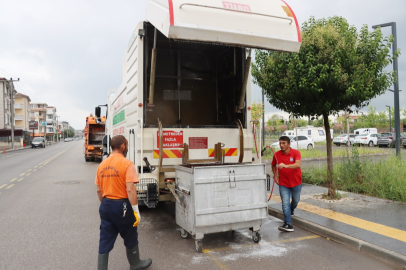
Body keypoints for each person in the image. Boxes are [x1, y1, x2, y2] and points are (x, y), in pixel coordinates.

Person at [95, 135, 152, 270]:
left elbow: (98, 190)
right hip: (122, 205)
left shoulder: (102, 165)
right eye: (126, 145)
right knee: (130, 233)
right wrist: (136, 211)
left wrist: (106, 204)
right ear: (122, 146)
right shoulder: (127, 164)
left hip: (106, 204)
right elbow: (130, 189)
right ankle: (135, 263)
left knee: (105, 238)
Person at [271, 136, 302, 232]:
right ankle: (287, 223)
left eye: (283, 143)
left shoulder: (296, 153)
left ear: (289, 144)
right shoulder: (276, 155)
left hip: (296, 182)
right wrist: (275, 175)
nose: (281, 145)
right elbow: (273, 165)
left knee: (295, 201)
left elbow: (298, 164)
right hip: (283, 183)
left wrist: (286, 166)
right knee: (285, 203)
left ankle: (291, 210)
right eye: (280, 143)